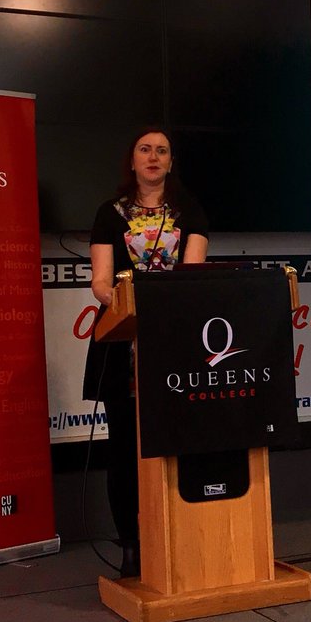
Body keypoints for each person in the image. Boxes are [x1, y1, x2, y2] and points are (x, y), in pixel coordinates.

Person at [82, 127, 208, 578]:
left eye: (162, 151)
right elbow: (100, 282)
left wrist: (163, 305)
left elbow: (192, 277)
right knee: (124, 450)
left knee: (177, 443)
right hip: (122, 345)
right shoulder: (109, 213)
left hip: (175, 342)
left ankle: (178, 538)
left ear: (171, 163)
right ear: (132, 161)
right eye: (145, 150)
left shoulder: (189, 211)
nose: (153, 157)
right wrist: (125, 300)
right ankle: (131, 545)